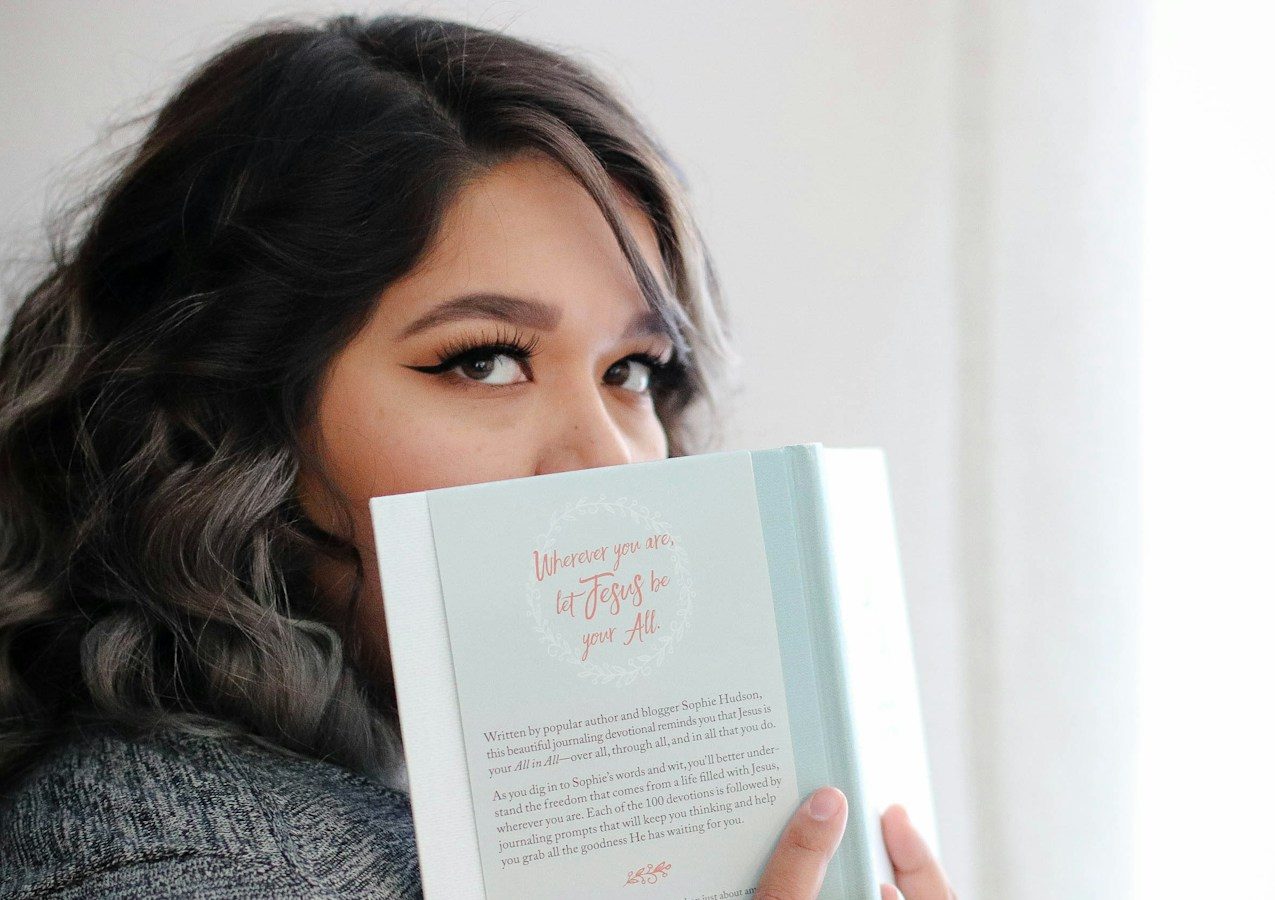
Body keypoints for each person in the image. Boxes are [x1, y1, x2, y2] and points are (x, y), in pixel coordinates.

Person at [0, 12, 955, 900]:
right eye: (485, 360)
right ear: (224, 410)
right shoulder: (178, 868)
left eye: (631, 369)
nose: (611, 466)